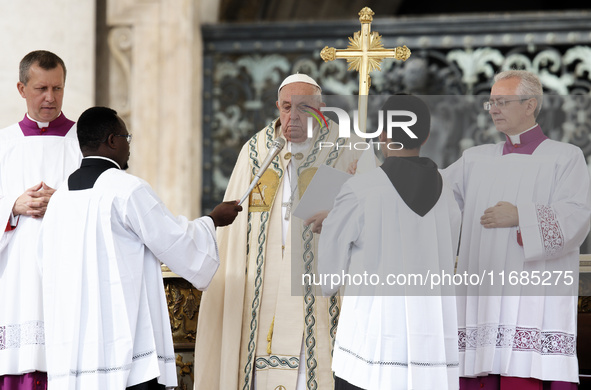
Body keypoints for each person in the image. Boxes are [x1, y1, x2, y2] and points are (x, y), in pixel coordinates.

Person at [38, 106, 241, 390]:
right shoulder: (127, 189)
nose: (128, 146)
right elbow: (173, 239)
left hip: (73, 345)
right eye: (126, 137)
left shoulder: (59, 198)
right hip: (123, 344)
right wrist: (213, 221)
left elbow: (44, 264)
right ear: (112, 140)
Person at [194, 73, 362, 390]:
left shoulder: (346, 150)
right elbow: (235, 237)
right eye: (287, 107)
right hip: (261, 298)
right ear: (277, 107)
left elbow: (369, 220)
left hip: (320, 297)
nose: (293, 117)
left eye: (304, 109)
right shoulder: (256, 152)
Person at [443, 70, 591, 389]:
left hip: (534, 296)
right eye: (491, 102)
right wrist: (380, 175)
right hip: (482, 289)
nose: (494, 108)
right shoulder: (474, 160)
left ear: (530, 105)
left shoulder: (565, 158)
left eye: (503, 101)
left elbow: (576, 216)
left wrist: (521, 216)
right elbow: (431, 193)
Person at [317, 94, 461, 390]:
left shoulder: (359, 189)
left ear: (381, 134)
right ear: (426, 136)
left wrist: (333, 223)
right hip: (430, 344)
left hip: (371, 348)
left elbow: (328, 279)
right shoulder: (449, 191)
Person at [0, 50, 82, 389]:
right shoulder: (3, 143)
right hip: (16, 274)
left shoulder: (84, 143)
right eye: (41, 89)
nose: (50, 98)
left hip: (68, 269)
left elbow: (108, 204)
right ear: (22, 89)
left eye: (58, 89)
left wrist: (61, 203)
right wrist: (11, 206)